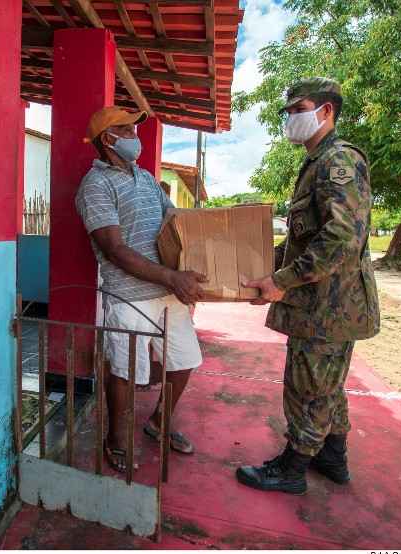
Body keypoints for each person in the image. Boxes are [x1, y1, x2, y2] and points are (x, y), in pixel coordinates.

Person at [237, 77, 381, 495]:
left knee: (309, 387)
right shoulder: (317, 162)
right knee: (327, 384)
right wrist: (267, 269)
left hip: (327, 305)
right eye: (288, 111)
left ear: (326, 111)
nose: (290, 118)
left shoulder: (338, 161)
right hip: (325, 303)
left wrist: (281, 281)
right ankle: (333, 459)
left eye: (298, 109)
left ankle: (293, 467)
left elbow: (341, 239)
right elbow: (306, 236)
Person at [75, 106, 206, 472]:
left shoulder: (146, 178)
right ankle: (115, 439)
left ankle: (159, 423)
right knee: (125, 371)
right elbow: (114, 250)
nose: (136, 136)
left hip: (168, 288)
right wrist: (170, 277)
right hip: (128, 294)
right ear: (108, 139)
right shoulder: (95, 186)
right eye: (128, 130)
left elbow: (173, 219)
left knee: (184, 361)